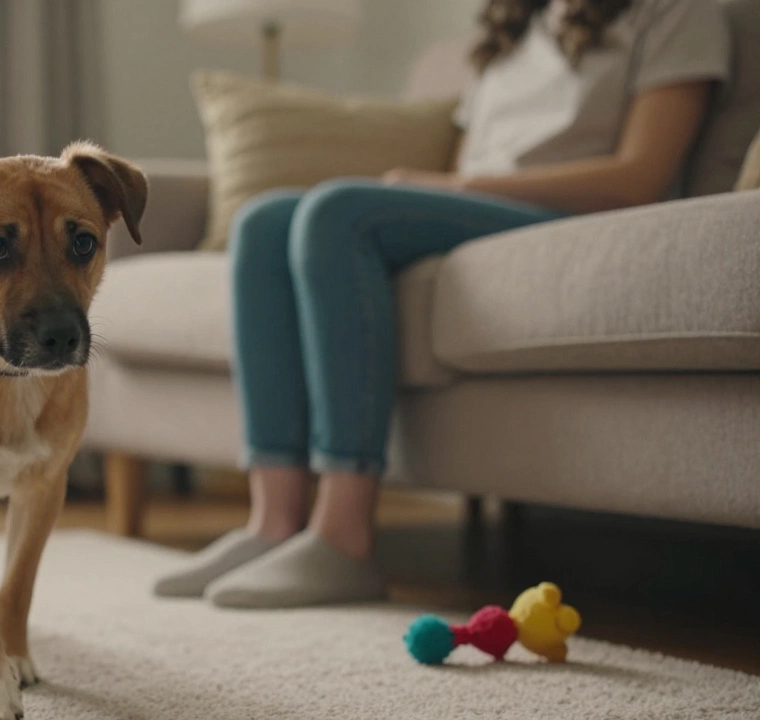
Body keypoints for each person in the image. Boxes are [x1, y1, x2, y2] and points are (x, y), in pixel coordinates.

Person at [154, 0, 730, 608]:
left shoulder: (677, 14)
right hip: (479, 206)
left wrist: (453, 187)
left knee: (337, 215)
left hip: (568, 216)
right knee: (264, 222)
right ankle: (273, 524)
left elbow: (638, 176)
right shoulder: (518, 28)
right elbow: (469, 156)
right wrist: (449, 186)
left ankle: (344, 538)